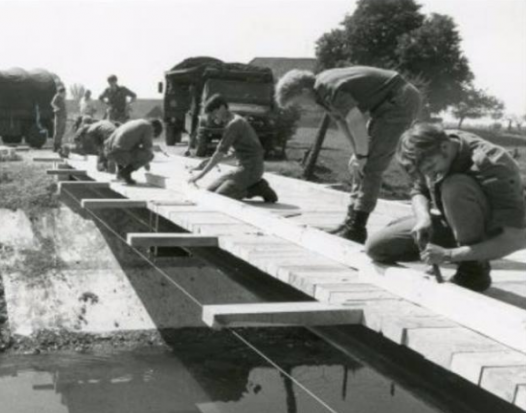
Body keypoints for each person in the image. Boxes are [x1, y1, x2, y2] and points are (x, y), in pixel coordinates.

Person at [365, 124, 526, 292]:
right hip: (454, 221)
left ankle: (473, 269)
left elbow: (516, 239)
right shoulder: (429, 148)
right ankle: (464, 251)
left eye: (431, 168)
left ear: (445, 147)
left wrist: (448, 255)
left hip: (494, 232)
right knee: (377, 248)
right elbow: (419, 190)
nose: (429, 175)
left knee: (455, 186)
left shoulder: (493, 164)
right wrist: (423, 218)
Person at [276, 66, 422, 243]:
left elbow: (355, 119)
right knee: (359, 166)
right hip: (386, 103)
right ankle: (349, 222)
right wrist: (357, 153)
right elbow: (342, 121)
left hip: (400, 100)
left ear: (304, 91)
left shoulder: (328, 87)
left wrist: (363, 156)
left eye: (299, 102)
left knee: (372, 166)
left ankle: (357, 227)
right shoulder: (320, 93)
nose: (302, 107)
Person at [187, 94, 278, 203]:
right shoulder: (232, 122)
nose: (213, 117)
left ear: (222, 107)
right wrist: (210, 161)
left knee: (221, 196)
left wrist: (199, 176)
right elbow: (234, 154)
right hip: (243, 168)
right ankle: (250, 184)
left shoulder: (235, 124)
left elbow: (219, 153)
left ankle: (258, 188)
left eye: (214, 113)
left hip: (252, 169)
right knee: (210, 192)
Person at [103, 118, 162, 185]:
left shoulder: (135, 123)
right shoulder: (148, 127)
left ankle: (121, 174)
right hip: (118, 152)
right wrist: (146, 162)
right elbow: (147, 147)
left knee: (128, 147)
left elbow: (126, 143)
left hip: (108, 151)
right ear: (155, 128)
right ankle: (125, 172)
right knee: (149, 155)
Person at [51, 86, 67, 153]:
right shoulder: (57, 96)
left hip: (63, 117)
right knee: (58, 131)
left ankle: (59, 145)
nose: (65, 93)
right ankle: (55, 146)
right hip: (59, 117)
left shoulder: (62, 98)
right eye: (64, 92)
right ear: (61, 92)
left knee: (61, 131)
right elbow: (52, 103)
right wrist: (57, 108)